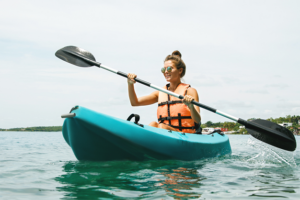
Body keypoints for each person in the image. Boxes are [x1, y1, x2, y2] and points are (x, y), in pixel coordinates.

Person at [127, 50, 201, 134]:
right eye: (163, 69)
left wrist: (191, 106)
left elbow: (197, 120)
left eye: (169, 68)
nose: (166, 72)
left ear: (180, 70)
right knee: (153, 124)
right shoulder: (160, 92)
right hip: (166, 134)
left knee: (162, 126)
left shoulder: (190, 91)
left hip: (186, 135)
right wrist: (130, 84)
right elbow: (135, 102)